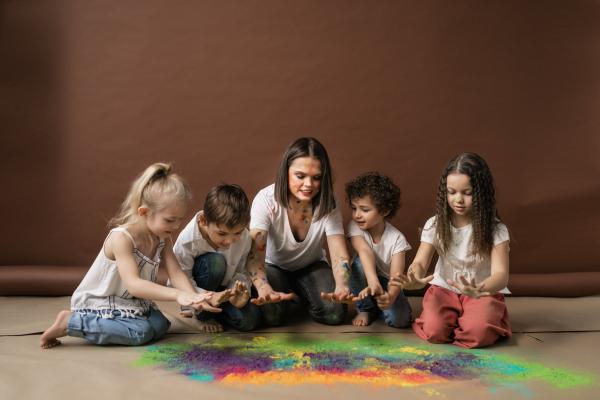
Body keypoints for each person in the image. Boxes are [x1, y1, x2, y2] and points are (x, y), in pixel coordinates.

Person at [40, 163, 215, 348]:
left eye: (180, 219)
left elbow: (176, 273)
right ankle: (71, 321)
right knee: (140, 333)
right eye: (170, 220)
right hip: (102, 302)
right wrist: (178, 295)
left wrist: (194, 297)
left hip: (131, 302)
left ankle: (119, 322)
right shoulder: (122, 238)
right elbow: (133, 284)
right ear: (144, 212)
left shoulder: (163, 237)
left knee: (160, 325)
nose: (176, 226)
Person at [390, 152, 511, 348]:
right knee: (434, 331)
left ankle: (476, 317)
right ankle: (453, 319)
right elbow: (420, 262)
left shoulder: (495, 229)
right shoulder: (436, 224)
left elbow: (501, 275)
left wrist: (481, 289)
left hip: (481, 291)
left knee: (477, 334)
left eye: (467, 193)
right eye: (451, 192)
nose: (458, 200)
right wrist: (414, 277)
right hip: (444, 290)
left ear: (481, 193)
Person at [248, 137, 353, 326]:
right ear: (285, 172)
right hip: (274, 266)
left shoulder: (329, 202)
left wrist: (342, 286)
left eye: (316, 177)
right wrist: (263, 288)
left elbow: (338, 253)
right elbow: (254, 253)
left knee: (334, 313)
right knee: (272, 317)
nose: (308, 184)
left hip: (311, 265)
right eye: (300, 175)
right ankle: (295, 296)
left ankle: (302, 295)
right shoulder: (265, 200)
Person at [172, 184, 261, 333]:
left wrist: (237, 291)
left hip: (224, 292)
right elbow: (179, 281)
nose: (230, 241)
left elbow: (241, 272)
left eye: (237, 233)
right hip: (196, 291)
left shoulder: (244, 237)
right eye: (222, 234)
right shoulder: (187, 240)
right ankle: (200, 314)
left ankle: (216, 311)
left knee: (250, 321)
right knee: (216, 262)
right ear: (203, 221)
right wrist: (204, 297)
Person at [345, 172, 412, 328]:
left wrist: (390, 296)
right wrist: (372, 282)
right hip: (365, 277)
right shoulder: (355, 227)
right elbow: (364, 250)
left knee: (400, 321)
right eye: (354, 208)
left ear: (384, 211)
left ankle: (381, 306)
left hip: (388, 283)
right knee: (357, 265)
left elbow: (396, 276)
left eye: (364, 210)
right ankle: (365, 308)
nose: (357, 215)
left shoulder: (397, 239)